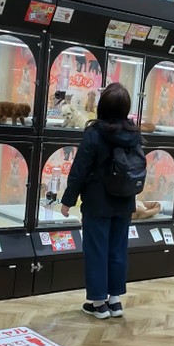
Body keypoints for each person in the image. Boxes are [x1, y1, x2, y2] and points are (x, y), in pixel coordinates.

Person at [60, 83, 143, 319]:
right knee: (118, 250)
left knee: (96, 250)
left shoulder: (94, 133)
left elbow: (80, 169)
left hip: (98, 203)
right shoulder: (134, 133)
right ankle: (115, 301)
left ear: (102, 106)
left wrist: (68, 200)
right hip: (124, 201)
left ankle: (98, 303)